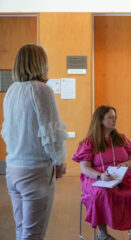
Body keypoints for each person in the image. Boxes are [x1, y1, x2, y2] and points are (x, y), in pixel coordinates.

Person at [1, 44, 67, 240]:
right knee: (33, 234)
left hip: (13, 169)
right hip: (36, 171)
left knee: (21, 230)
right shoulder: (42, 91)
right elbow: (51, 133)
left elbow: (7, 132)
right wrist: (59, 161)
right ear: (41, 63)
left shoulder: (11, 91)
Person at [72, 105, 131, 240]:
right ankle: (103, 233)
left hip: (123, 177)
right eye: (110, 117)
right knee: (102, 193)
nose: (114, 120)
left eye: (115, 117)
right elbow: (85, 168)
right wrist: (101, 176)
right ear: (100, 120)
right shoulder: (89, 143)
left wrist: (126, 164)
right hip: (98, 178)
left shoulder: (122, 138)